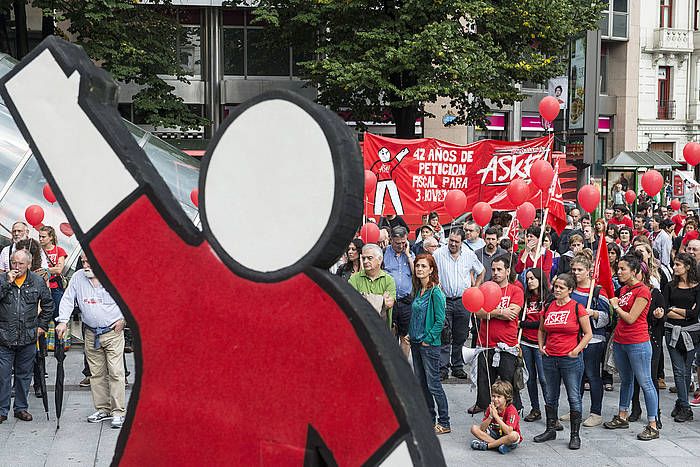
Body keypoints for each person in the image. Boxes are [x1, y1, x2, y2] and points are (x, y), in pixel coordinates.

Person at [56, 253, 127, 429]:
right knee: (96, 373)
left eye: (89, 261)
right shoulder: (79, 277)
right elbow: (67, 299)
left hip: (112, 332)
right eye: (83, 261)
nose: (85, 265)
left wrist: (124, 319)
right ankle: (103, 408)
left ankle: (118, 411)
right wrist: (63, 321)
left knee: (116, 372)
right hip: (91, 333)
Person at [604, 252, 659, 441]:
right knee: (626, 380)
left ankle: (652, 424)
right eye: (618, 268)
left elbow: (630, 318)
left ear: (634, 271)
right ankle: (622, 415)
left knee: (645, 382)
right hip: (621, 341)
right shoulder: (624, 290)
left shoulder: (642, 291)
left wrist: (616, 306)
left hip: (638, 342)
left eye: (622, 269)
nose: (618, 272)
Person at [534, 273, 592, 450]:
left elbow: (588, 333)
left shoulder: (577, 308)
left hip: (570, 359)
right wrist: (541, 346)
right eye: (556, 286)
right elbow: (542, 329)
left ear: (570, 290)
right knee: (551, 395)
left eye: (561, 287)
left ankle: (575, 435)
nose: (557, 290)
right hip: (550, 357)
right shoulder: (549, 306)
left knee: (574, 396)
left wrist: (576, 350)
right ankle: (550, 429)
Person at [0, 250, 54, 422]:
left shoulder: (37, 281)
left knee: (24, 375)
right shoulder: (2, 280)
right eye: (13, 263)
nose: (16, 267)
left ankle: (21, 408)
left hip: (28, 337)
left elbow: (48, 305)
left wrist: (42, 326)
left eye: (20, 264)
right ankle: (2, 410)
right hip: (4, 337)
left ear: (29, 265)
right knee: (3, 375)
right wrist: (7, 283)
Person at [472, 255, 524, 413]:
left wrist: (490, 312)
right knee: (484, 380)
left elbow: (513, 314)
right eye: (493, 269)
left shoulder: (516, 290)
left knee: (508, 380)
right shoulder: (485, 289)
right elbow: (478, 312)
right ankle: (485, 408)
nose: (495, 273)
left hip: (507, 345)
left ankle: (511, 411)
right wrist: (500, 311)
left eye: (499, 269)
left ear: (508, 271)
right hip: (485, 343)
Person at [433, 229, 484, 380]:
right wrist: (436, 285)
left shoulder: (469, 255)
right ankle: (442, 368)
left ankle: (457, 366)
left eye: (456, 241)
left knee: (460, 335)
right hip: (444, 300)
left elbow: (481, 271)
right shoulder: (438, 254)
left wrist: (475, 288)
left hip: (464, 301)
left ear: (462, 242)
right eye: (451, 240)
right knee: (444, 335)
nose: (453, 244)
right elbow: (432, 271)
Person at [409, 254, 449, 434]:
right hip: (416, 343)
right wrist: (411, 334)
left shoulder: (435, 292)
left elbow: (440, 321)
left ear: (431, 270)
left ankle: (445, 422)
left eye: (423, 266)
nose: (419, 269)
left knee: (434, 385)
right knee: (422, 384)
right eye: (418, 266)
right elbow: (416, 315)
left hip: (429, 345)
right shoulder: (419, 290)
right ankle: (429, 419)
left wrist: (428, 339)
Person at [568, 252, 609, 427]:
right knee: (575, 376)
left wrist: (593, 313)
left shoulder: (598, 290)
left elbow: (608, 317)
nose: (576, 273)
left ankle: (596, 412)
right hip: (574, 339)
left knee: (592, 375)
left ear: (588, 271)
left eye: (580, 269)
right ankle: (575, 409)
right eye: (574, 269)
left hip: (593, 339)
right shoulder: (570, 290)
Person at [628, 244, 666, 427]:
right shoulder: (628, 292)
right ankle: (635, 409)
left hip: (651, 339)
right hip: (632, 338)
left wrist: (659, 315)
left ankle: (655, 413)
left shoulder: (655, 293)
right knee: (634, 377)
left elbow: (662, 315)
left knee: (649, 378)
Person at [663, 253, 700, 423]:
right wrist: (682, 312)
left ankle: (680, 402)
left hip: (692, 334)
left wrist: (675, 309)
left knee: (686, 371)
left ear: (687, 267)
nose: (674, 267)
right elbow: (665, 310)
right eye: (674, 264)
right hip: (672, 332)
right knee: (678, 370)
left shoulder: (697, 287)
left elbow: (694, 314)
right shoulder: (670, 286)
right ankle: (685, 407)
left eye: (678, 264)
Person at [521, 268, 555, 425]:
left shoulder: (548, 299)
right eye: (527, 279)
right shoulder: (526, 298)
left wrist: (524, 323)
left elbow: (543, 323)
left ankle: (551, 413)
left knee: (544, 379)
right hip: (526, 342)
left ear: (540, 279)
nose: (529, 281)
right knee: (530, 379)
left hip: (541, 343)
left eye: (533, 278)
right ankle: (535, 409)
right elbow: (519, 319)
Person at [383, 226, 415, 357]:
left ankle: (404, 367)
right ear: (391, 240)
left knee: (405, 337)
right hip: (390, 300)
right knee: (390, 335)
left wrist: (407, 255)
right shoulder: (384, 252)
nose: (401, 246)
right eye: (397, 243)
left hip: (406, 301)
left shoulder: (410, 254)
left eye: (403, 242)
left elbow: (416, 274)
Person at [348, 244, 396, 330]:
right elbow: (352, 303)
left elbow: (389, 303)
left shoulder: (389, 280)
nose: (365, 261)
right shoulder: (354, 279)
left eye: (370, 258)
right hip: (361, 328)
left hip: (382, 329)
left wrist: (363, 296)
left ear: (380, 260)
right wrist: (381, 300)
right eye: (363, 258)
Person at [470, 380, 522, 454]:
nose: (495, 399)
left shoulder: (511, 410)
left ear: (506, 398)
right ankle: (498, 446)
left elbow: (509, 431)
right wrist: (490, 417)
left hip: (507, 436)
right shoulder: (491, 407)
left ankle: (487, 446)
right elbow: (482, 429)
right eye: (493, 396)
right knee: (474, 428)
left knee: (513, 435)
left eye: (499, 397)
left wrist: (496, 417)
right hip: (495, 434)